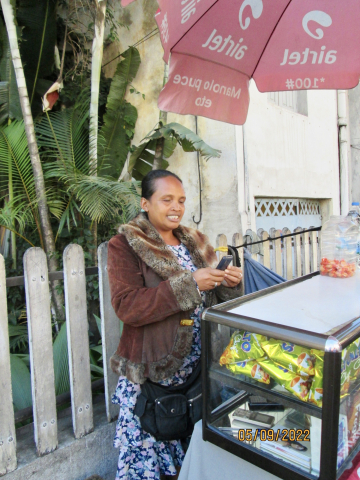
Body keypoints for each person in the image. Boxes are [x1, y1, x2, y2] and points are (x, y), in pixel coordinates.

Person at [108, 170, 243, 480]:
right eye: (166, 199)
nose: (176, 207)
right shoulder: (125, 244)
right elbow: (127, 306)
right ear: (145, 202)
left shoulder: (194, 239)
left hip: (197, 367)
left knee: (189, 453)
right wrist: (188, 284)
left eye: (181, 200)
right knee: (150, 457)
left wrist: (227, 282)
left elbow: (212, 295)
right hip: (153, 369)